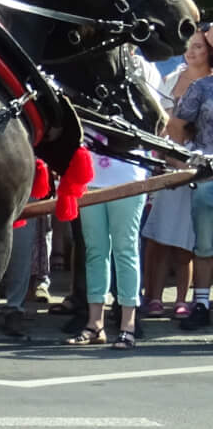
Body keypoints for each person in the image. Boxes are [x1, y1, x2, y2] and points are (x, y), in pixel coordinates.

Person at [143, 29, 208, 319]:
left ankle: (189, 298)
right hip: (178, 163)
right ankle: (154, 297)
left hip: (199, 167)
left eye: (198, 47)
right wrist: (172, 157)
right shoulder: (180, 82)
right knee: (161, 233)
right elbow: (169, 125)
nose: (191, 52)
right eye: (188, 47)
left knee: (190, 237)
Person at [65, 135, 150, 349]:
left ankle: (127, 325)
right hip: (90, 179)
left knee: (126, 250)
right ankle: (95, 324)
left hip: (128, 178)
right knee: (95, 251)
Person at [166, 59, 213, 329]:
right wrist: (186, 162)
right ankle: (202, 304)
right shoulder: (201, 87)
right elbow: (176, 125)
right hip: (208, 175)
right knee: (204, 246)